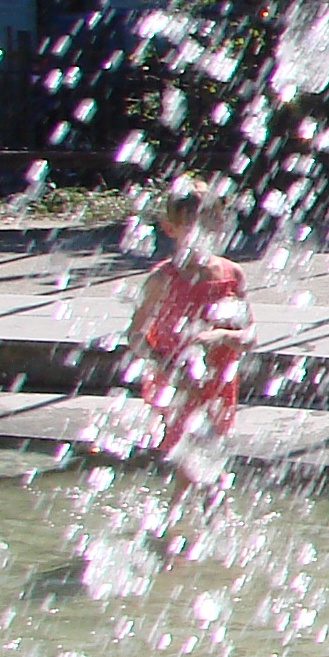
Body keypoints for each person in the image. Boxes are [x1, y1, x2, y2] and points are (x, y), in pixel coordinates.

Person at [127, 177, 254, 475]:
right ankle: (189, 519)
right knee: (193, 462)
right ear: (169, 229)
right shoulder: (162, 280)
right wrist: (165, 364)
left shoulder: (232, 274)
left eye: (209, 222)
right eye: (190, 225)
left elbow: (250, 336)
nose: (200, 233)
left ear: (221, 223)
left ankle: (179, 519)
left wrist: (221, 336)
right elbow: (135, 336)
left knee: (205, 463)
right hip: (177, 381)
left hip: (219, 381)